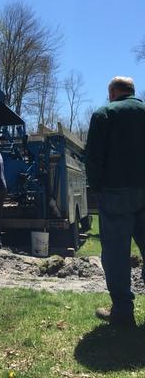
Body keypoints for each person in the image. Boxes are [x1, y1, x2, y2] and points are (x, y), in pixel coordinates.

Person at [85, 76, 145, 328]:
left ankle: (122, 312)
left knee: (116, 254)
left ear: (112, 92)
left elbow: (93, 157)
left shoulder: (104, 115)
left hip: (116, 192)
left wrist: (97, 188)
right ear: (131, 92)